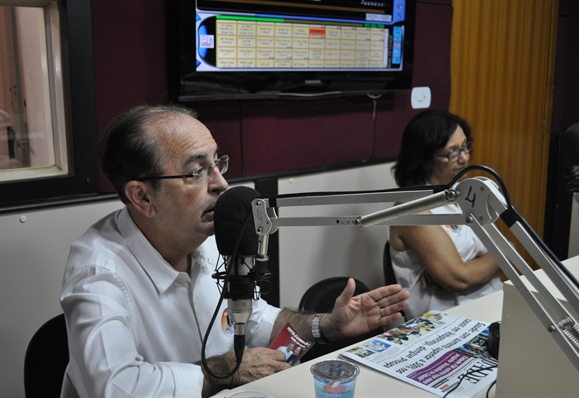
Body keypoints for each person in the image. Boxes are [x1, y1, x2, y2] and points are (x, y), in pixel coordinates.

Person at [60, 104, 410, 397]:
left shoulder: (207, 235)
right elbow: (114, 387)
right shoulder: (98, 271)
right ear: (143, 197)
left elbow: (255, 318)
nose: (221, 184)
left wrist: (325, 325)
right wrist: (223, 371)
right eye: (197, 171)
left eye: (217, 163)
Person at [389, 109, 502, 320]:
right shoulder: (413, 206)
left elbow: (503, 248)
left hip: (492, 305)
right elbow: (460, 279)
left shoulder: (465, 192)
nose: (465, 158)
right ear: (425, 159)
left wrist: (496, 256)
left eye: (465, 146)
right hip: (446, 322)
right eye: (452, 153)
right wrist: (497, 258)